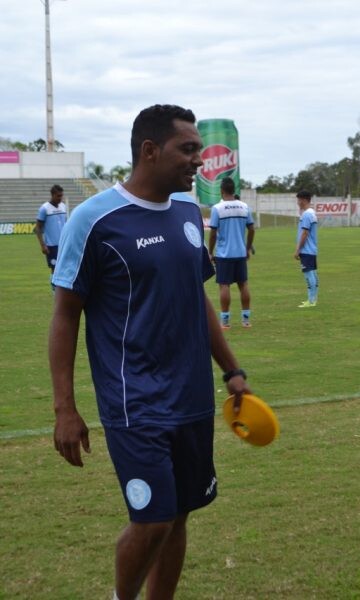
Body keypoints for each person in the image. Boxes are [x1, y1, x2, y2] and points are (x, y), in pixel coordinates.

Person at [49, 104, 252, 600]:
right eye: (188, 150)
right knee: (153, 518)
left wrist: (232, 370)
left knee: (178, 515)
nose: (199, 162)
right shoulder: (94, 219)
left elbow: (195, 295)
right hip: (133, 401)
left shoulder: (188, 212)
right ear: (149, 150)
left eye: (199, 151)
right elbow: (65, 314)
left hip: (192, 397)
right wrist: (65, 409)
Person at [208, 177, 255, 328]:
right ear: (234, 190)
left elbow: (213, 233)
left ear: (222, 190)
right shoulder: (244, 207)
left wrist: (210, 251)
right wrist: (247, 248)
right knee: (243, 284)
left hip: (224, 254)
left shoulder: (217, 209)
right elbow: (252, 229)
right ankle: (246, 320)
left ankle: (225, 321)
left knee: (224, 285)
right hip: (240, 253)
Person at [35, 183, 67, 290]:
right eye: (58, 196)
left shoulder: (63, 206)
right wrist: (43, 245)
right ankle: (54, 290)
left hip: (64, 243)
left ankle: (62, 289)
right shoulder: (44, 208)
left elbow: (66, 224)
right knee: (54, 268)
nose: (60, 198)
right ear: (52, 195)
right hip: (52, 245)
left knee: (64, 267)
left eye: (61, 196)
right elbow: (37, 228)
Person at [294, 190, 318, 308]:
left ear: (303, 200)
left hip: (306, 250)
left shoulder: (307, 214)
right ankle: (312, 299)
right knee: (312, 273)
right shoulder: (311, 212)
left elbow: (304, 233)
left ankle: (311, 300)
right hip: (311, 249)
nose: (297, 202)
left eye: (298, 200)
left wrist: (298, 249)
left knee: (309, 275)